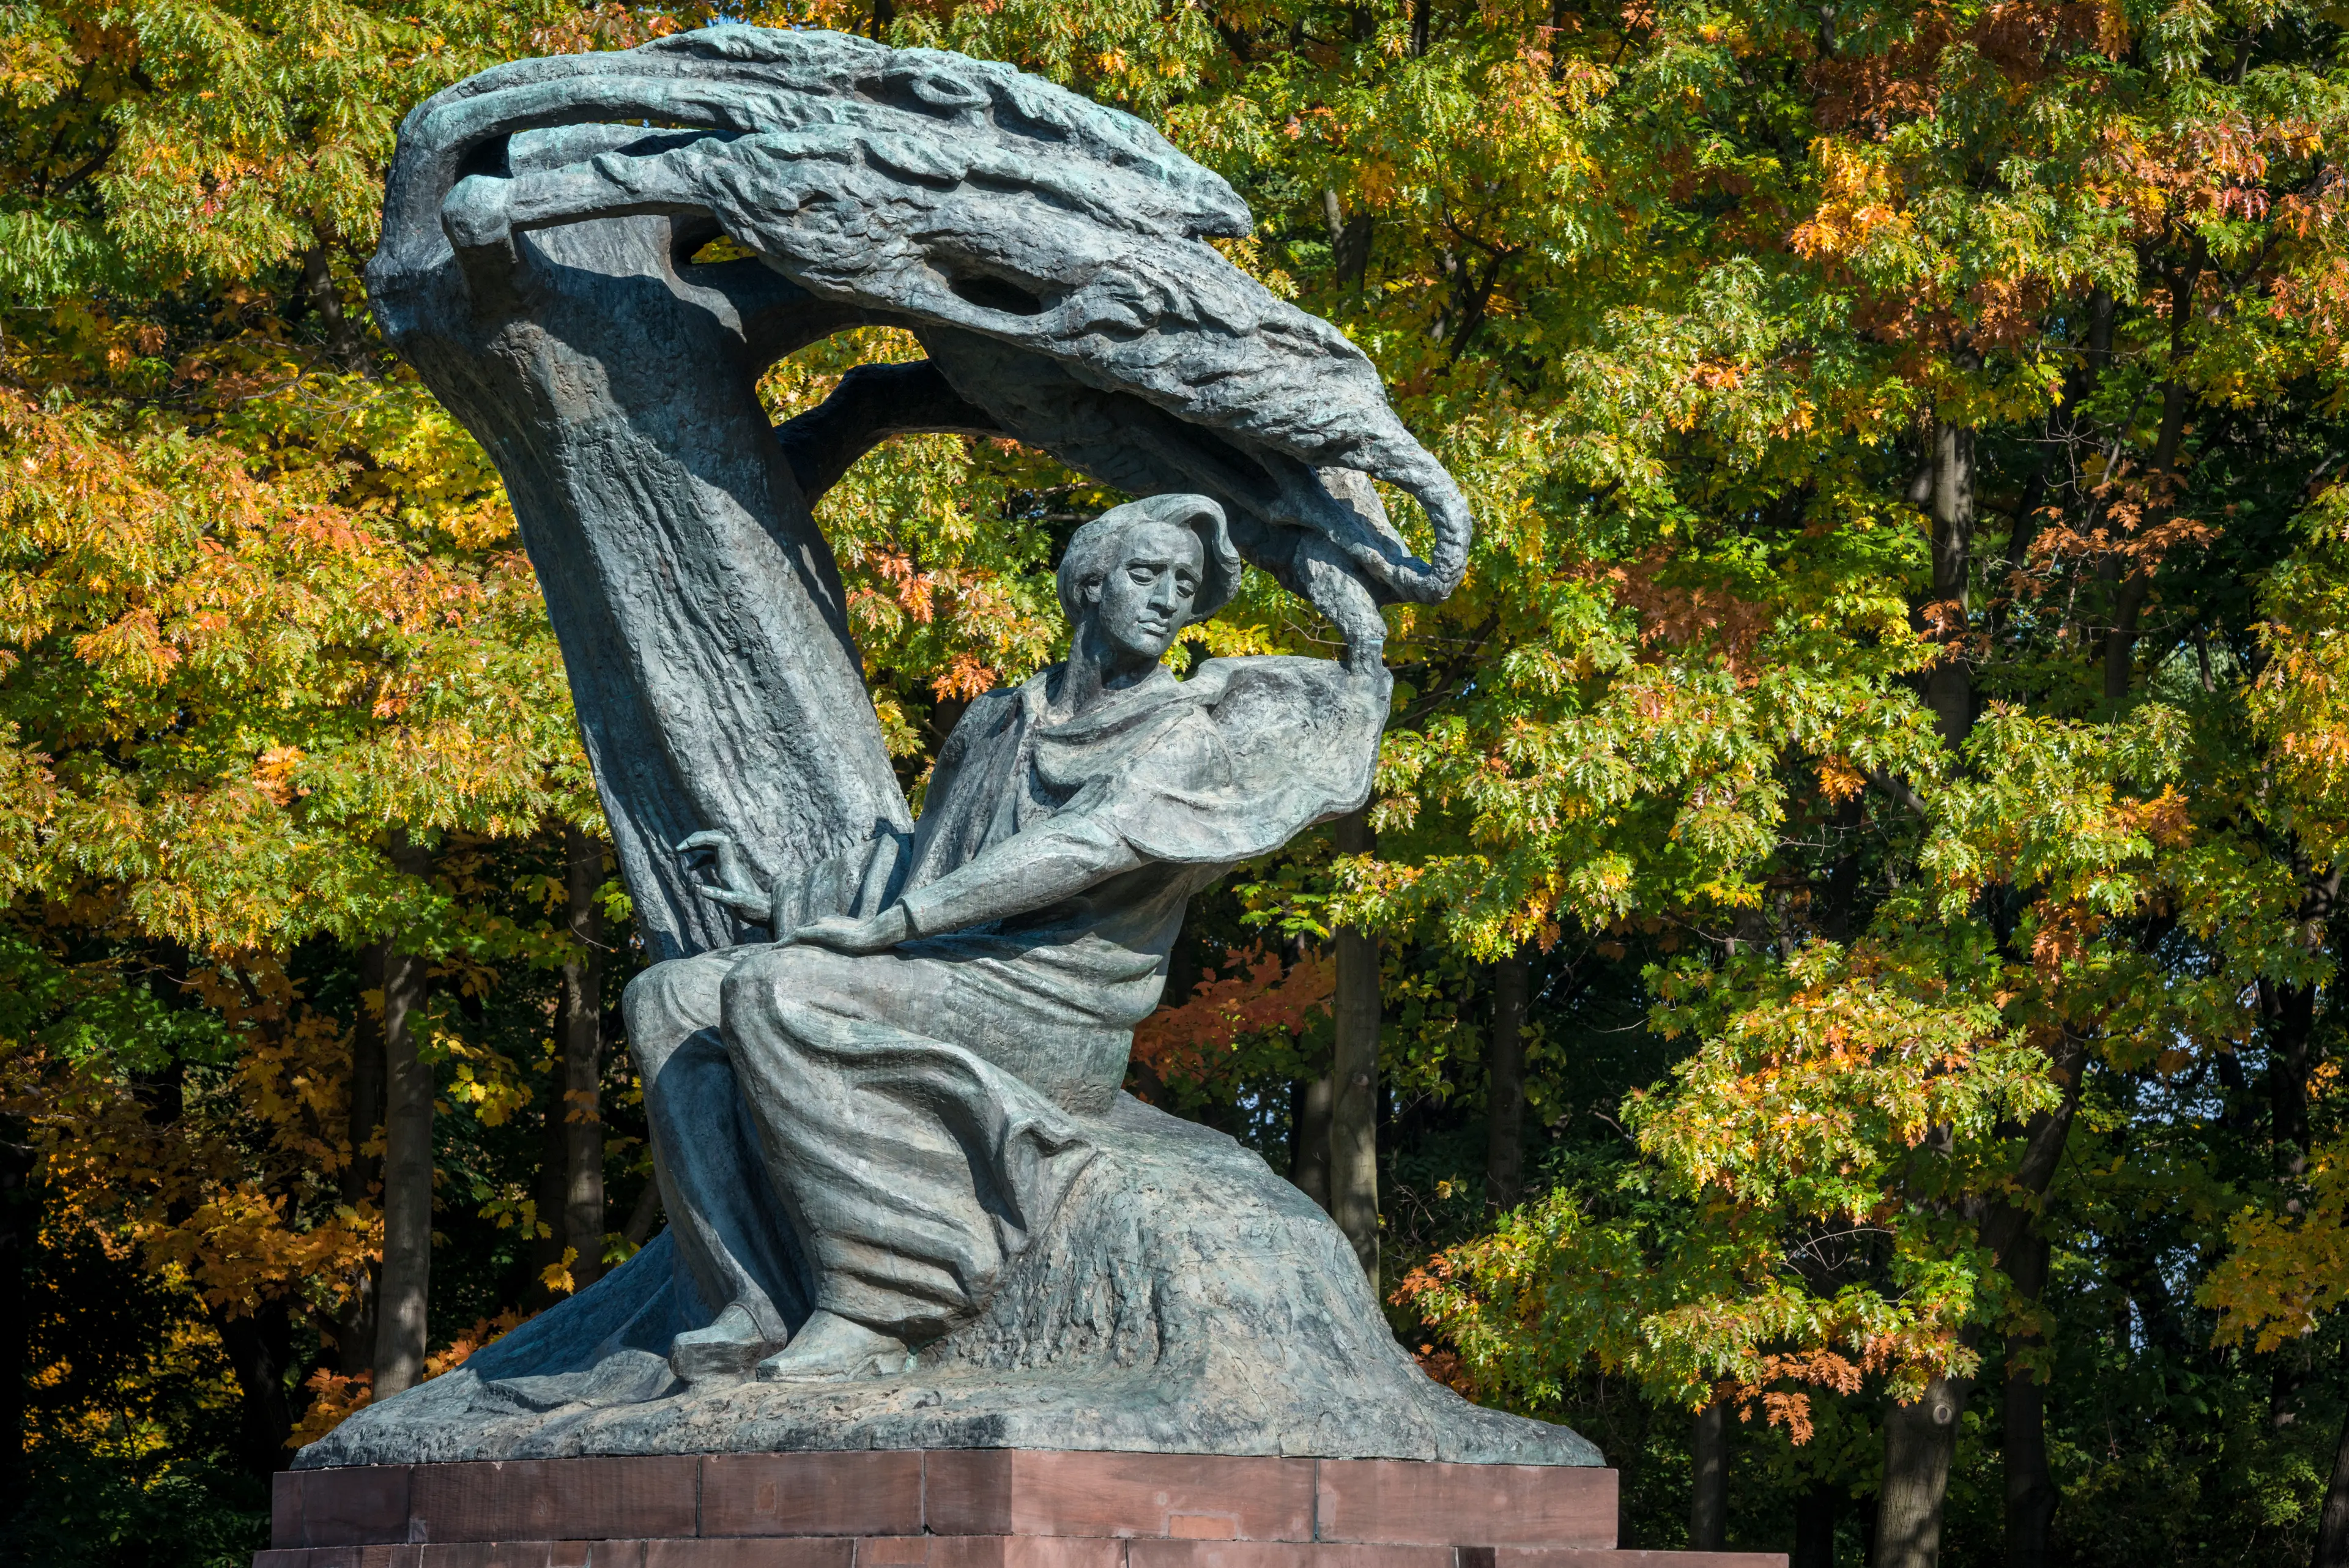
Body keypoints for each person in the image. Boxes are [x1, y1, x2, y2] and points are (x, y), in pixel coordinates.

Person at [621, 493, 1389, 1381]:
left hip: (1055, 1006)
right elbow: (927, 856)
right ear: (1090, 584)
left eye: (1185, 584)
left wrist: (892, 929)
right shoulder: (998, 722)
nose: (1168, 598)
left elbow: (1078, 848)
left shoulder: (1180, 738)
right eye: (1147, 574)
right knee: (669, 998)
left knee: (773, 990)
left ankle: (882, 1305)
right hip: (948, 966)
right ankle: (755, 1302)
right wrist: (780, 902)